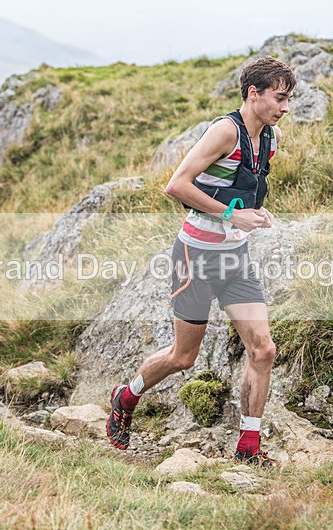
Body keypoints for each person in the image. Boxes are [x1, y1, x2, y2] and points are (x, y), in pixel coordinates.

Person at [107, 55, 296, 467]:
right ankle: (127, 395)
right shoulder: (224, 132)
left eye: (288, 99)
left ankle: (248, 447)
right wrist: (232, 215)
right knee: (183, 357)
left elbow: (239, 188)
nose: (285, 107)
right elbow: (175, 185)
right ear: (254, 93)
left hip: (235, 260)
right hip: (195, 257)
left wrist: (254, 214)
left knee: (263, 350)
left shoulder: (270, 138)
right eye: (279, 98)